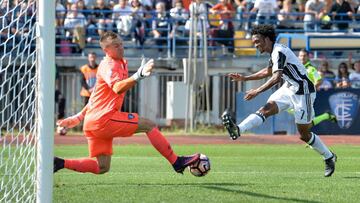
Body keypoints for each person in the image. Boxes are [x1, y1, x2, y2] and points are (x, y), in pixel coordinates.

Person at [54, 31, 200, 174]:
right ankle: (177, 162)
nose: (121, 47)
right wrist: (138, 75)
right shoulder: (109, 65)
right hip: (104, 119)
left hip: (93, 121)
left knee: (102, 167)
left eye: (122, 44)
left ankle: (59, 163)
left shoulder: (119, 63)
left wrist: (78, 117)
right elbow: (117, 88)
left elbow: (95, 98)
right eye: (116, 46)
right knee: (148, 125)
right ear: (106, 50)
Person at [221, 24, 336, 177]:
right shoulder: (274, 51)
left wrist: (257, 90)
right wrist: (245, 78)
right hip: (288, 88)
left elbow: (276, 77)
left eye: (257, 41)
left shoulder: (279, 51)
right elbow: (269, 71)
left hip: (303, 92)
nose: (255, 45)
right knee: (265, 109)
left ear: (267, 39)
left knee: (304, 134)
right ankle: (238, 130)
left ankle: (329, 157)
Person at [297, 49, 337, 127]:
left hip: (306, 97)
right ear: (298, 57)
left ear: (308, 57)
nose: (302, 58)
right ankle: (326, 116)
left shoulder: (311, 69)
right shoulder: (297, 67)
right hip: (298, 96)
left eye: (304, 56)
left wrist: (308, 91)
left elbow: (319, 81)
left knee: (306, 125)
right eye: (301, 56)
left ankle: (326, 116)